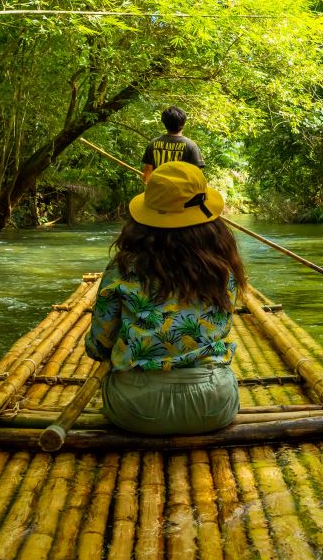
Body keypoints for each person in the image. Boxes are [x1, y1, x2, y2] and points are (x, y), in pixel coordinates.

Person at [83, 162, 244, 435]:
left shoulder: (122, 268)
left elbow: (99, 345)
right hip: (213, 405)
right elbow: (221, 327)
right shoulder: (223, 269)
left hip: (135, 408)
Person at [141, 106, 203, 179]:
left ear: (164, 123)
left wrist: (145, 178)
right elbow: (197, 176)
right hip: (182, 190)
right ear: (183, 123)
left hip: (158, 189)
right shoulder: (191, 146)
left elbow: (147, 175)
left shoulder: (153, 144)